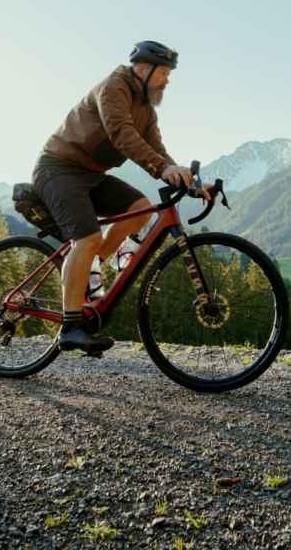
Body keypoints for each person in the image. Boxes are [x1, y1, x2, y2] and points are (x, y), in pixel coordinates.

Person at [32, 40, 199, 353]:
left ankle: (91, 267)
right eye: (163, 72)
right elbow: (121, 133)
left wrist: (183, 178)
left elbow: (157, 150)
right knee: (86, 238)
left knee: (141, 209)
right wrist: (162, 168)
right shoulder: (114, 87)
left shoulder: (146, 109)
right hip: (58, 169)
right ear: (143, 69)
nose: (168, 80)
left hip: (91, 175)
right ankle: (70, 327)